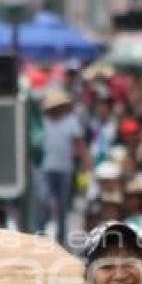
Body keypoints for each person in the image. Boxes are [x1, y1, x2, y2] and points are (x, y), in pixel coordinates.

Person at [40, 89, 88, 246]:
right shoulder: (42, 122)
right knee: (45, 201)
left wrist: (84, 163)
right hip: (46, 168)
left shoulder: (71, 121)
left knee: (63, 206)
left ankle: (60, 239)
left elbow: (79, 143)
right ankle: (41, 233)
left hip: (65, 169)